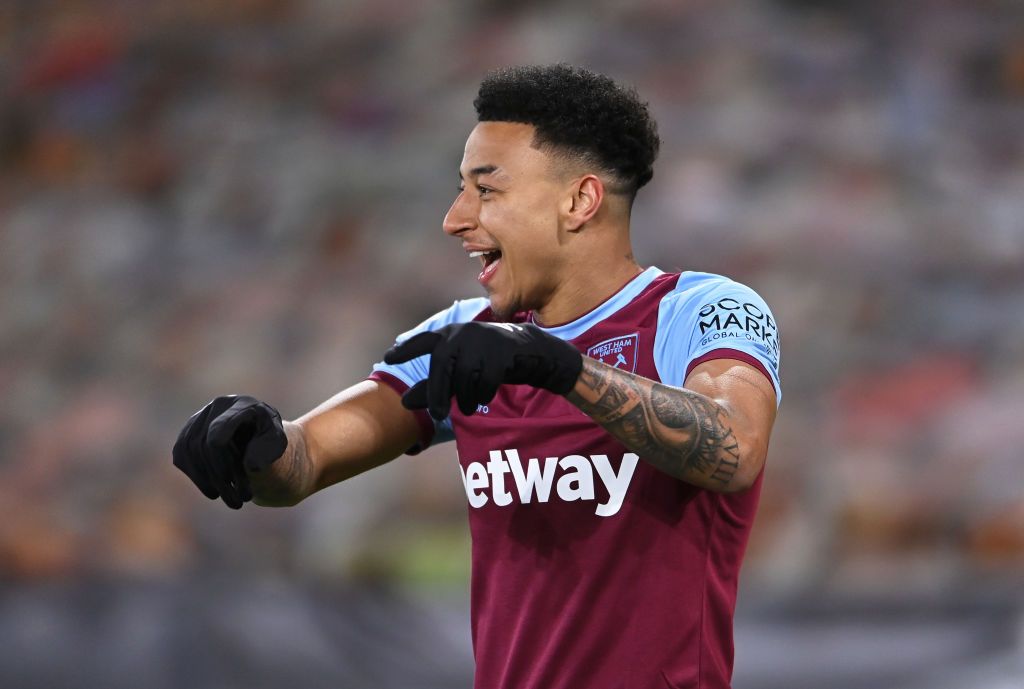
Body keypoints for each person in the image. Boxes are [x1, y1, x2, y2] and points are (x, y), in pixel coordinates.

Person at [173, 64, 781, 689]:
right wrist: (253, 441)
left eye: (486, 191)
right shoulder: (464, 335)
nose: (455, 219)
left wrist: (558, 368)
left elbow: (733, 451)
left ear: (580, 200)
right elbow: (303, 465)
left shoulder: (700, 310)